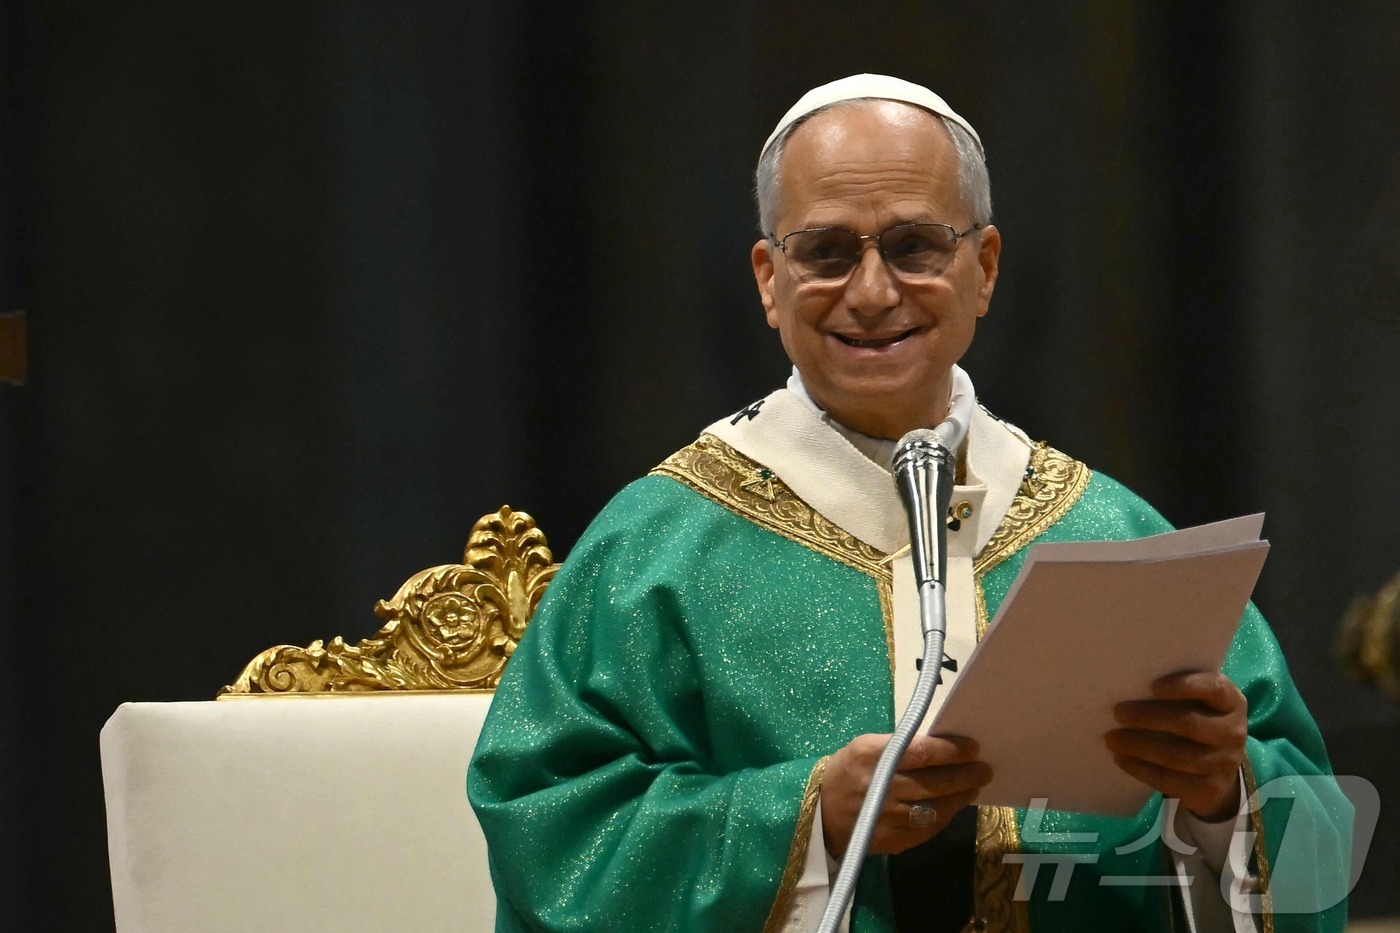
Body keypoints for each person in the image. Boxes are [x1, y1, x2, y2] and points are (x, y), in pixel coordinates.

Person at [468, 74, 1350, 933]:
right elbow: (550, 833)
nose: (873, 291)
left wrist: (1219, 796)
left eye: (915, 246)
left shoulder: (1113, 534)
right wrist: (806, 815)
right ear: (769, 279)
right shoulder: (656, 549)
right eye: (826, 252)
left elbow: (1310, 821)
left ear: (985, 267)